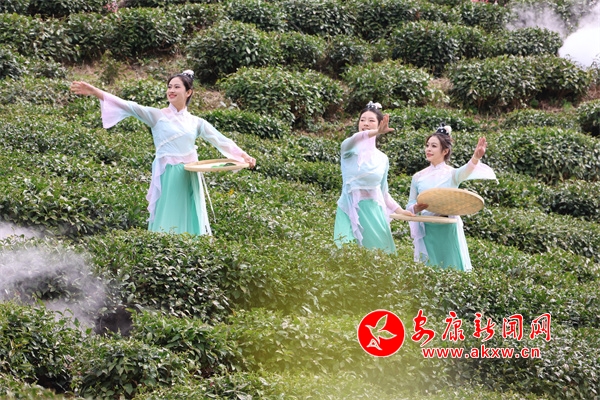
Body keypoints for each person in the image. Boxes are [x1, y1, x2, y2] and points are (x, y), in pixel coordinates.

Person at [70, 70, 256, 235]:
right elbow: (128, 106)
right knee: (168, 215)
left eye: (176, 87)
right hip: (168, 173)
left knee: (190, 215)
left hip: (190, 174)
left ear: (189, 92)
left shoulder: (196, 122)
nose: (171, 90)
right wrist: (95, 91)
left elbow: (220, 140)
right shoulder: (157, 115)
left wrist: (244, 156)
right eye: (169, 87)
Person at [406, 125, 496, 271]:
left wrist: (476, 157)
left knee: (452, 268)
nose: (428, 149)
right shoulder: (418, 177)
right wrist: (415, 208)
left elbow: (466, 170)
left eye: (434, 146)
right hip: (428, 228)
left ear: (445, 151)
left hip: (448, 227)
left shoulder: (452, 174)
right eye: (427, 145)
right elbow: (410, 203)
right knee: (429, 270)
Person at [334, 102, 414, 254]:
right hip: (349, 209)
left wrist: (400, 211)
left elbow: (383, 192)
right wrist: (376, 131)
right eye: (362, 120)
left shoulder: (382, 159)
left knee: (381, 257)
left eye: (371, 120)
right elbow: (355, 139)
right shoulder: (348, 150)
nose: (365, 123)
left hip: (373, 211)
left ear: (379, 124)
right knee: (347, 253)